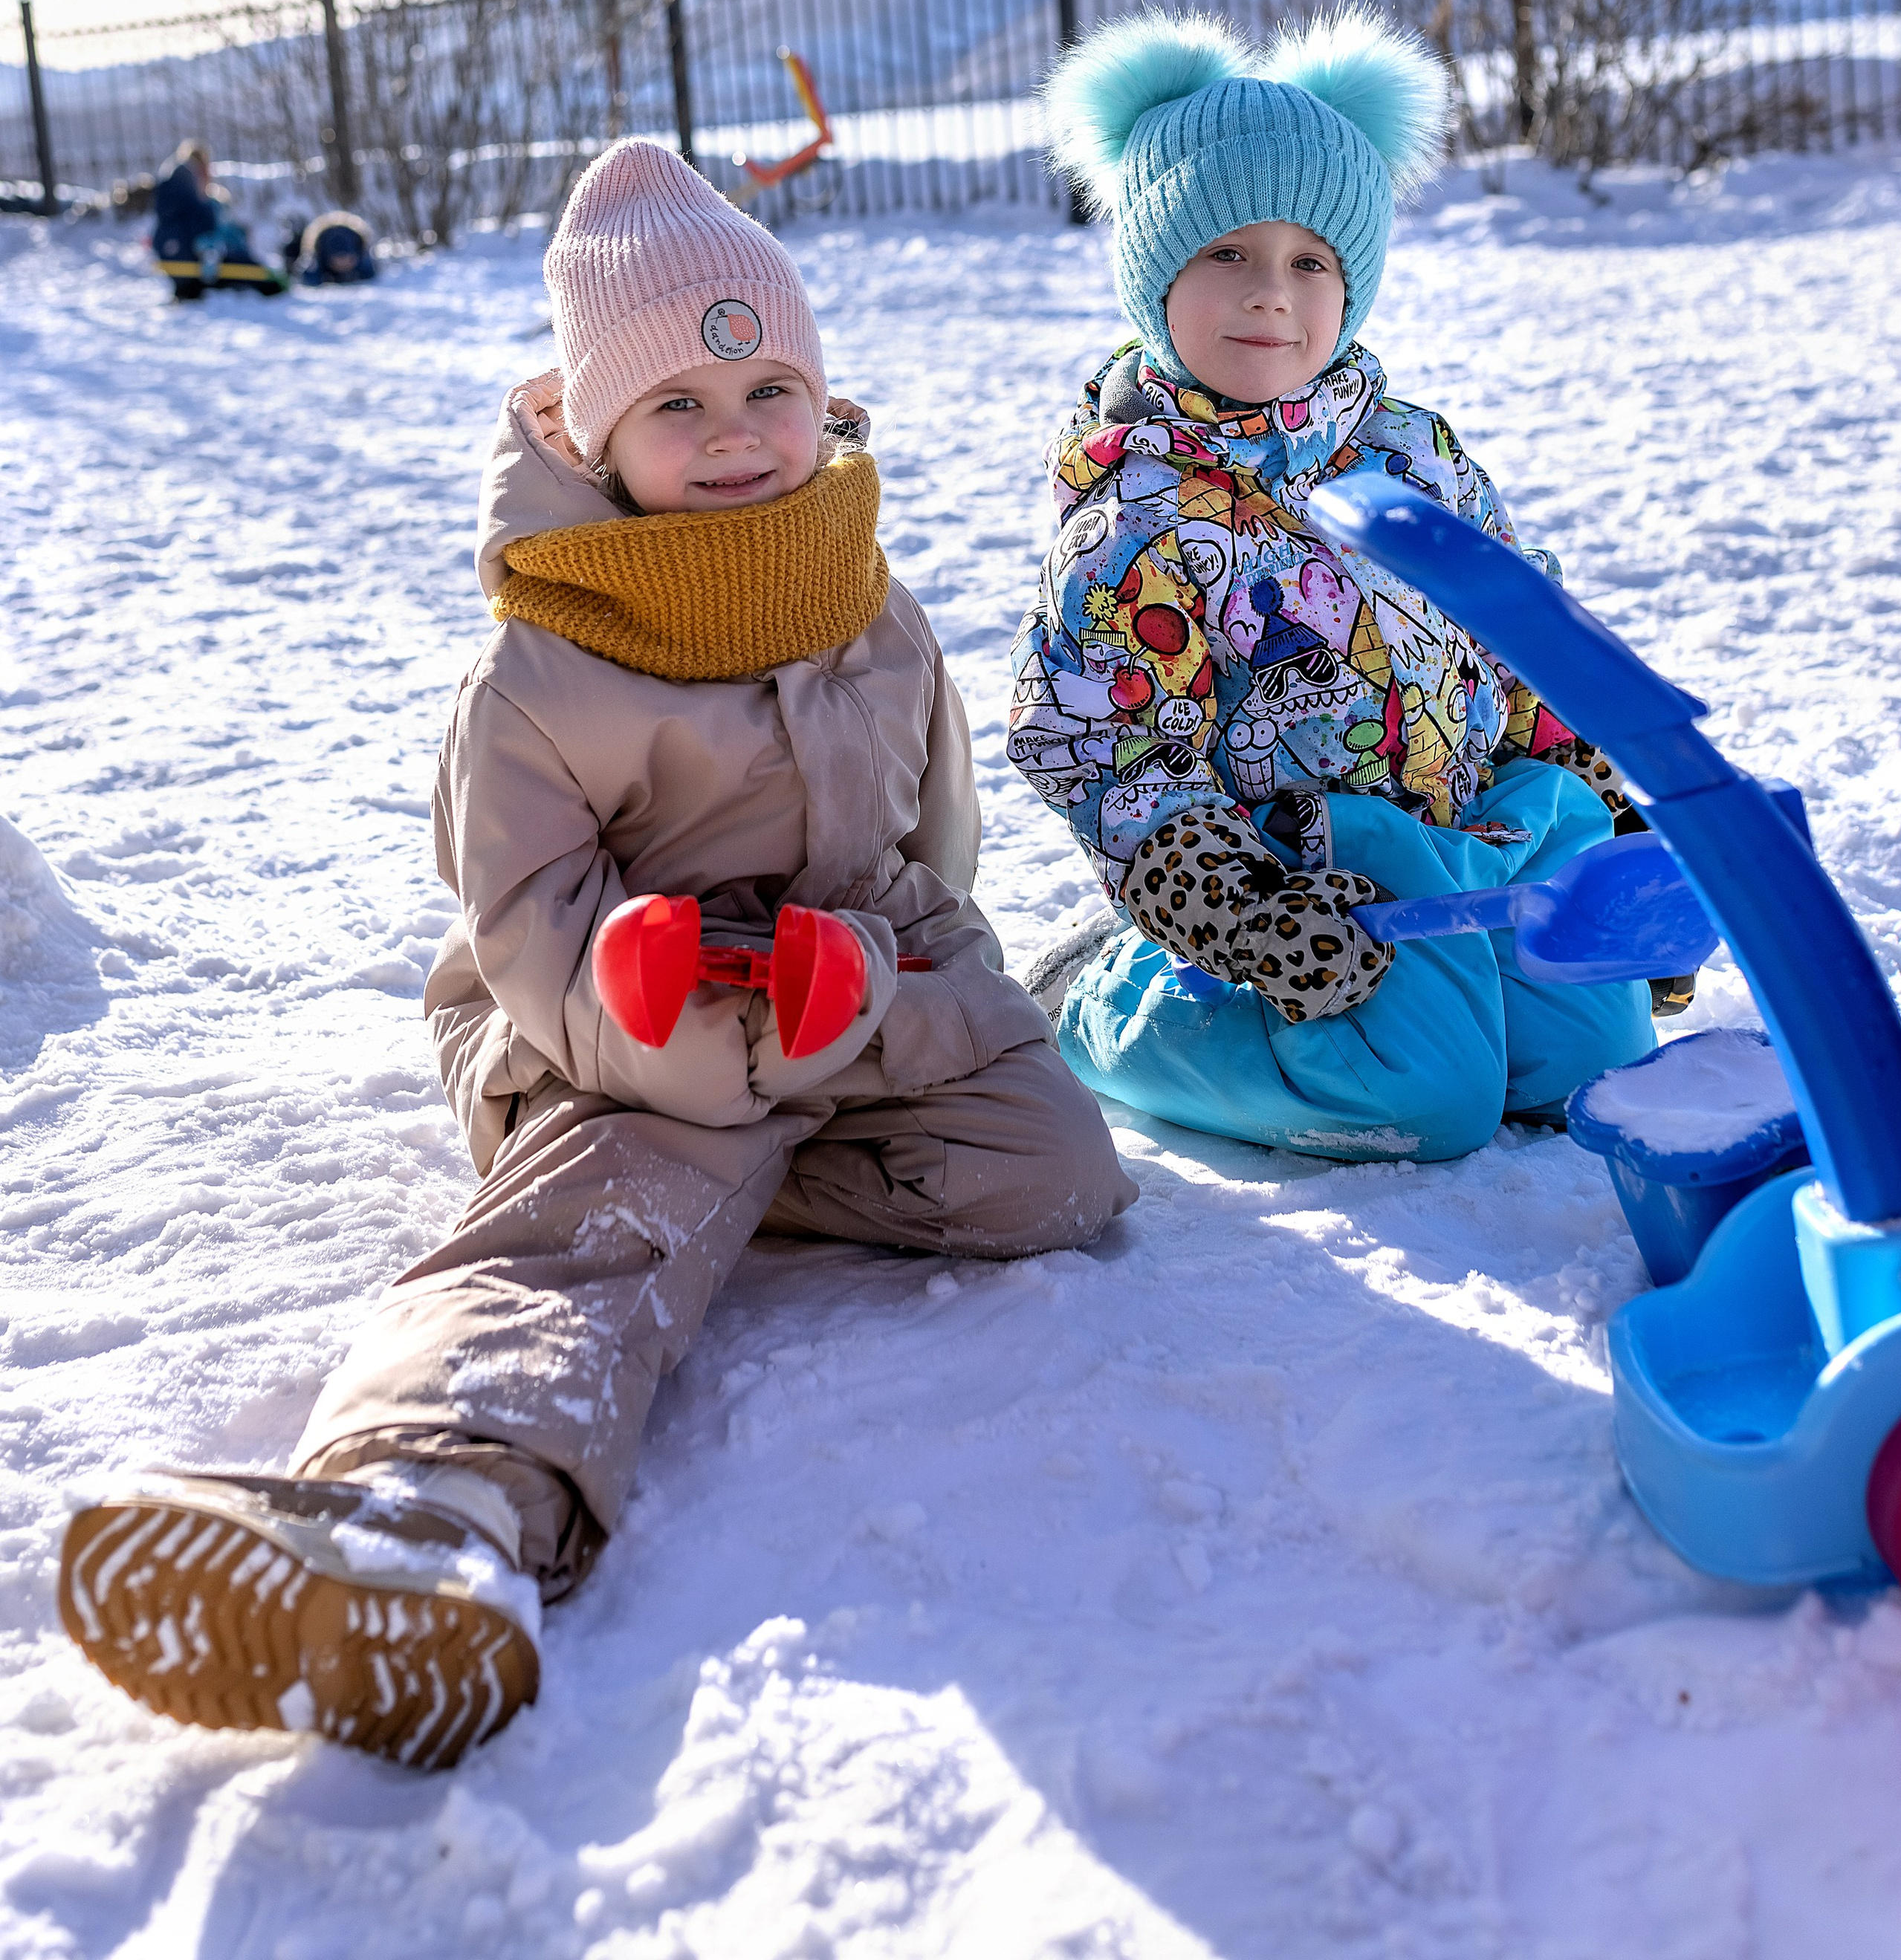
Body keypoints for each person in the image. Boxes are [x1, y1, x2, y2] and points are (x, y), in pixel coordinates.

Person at [60, 138, 1135, 1770]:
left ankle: (718, 1181)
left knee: (1051, 1172)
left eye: (768, 387)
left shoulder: (868, 604)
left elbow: (931, 863)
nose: (734, 437)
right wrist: (700, 1052)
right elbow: (528, 935)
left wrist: (893, 1011)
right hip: (595, 1014)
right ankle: (421, 1509)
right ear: (589, 432)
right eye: (677, 409)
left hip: (836, 990)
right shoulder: (543, 671)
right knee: (613, 1206)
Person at [1011, 4, 1654, 1167]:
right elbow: (1096, 746)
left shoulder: (1413, 451)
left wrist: (1610, 817)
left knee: (1588, 1062)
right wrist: (1234, 900)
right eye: (1227, 254)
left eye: (1311, 261)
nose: (1271, 294)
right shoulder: (1140, 515)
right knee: (1427, 1098)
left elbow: (1522, 633)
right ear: (1151, 275)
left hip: (1477, 827)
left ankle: (1474, 989)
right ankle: (1102, 1002)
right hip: (1303, 877)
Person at [149, 141, 260, 283]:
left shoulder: (173, 194)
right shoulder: (195, 203)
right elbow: (206, 234)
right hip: (197, 265)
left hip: (179, 264)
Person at [294, 207, 378, 284]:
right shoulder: (317, 260)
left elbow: (371, 274)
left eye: (348, 259)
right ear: (327, 258)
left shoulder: (363, 257)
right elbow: (308, 279)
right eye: (338, 259)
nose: (343, 265)